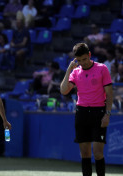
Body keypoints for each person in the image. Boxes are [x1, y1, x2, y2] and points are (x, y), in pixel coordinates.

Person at [60, 43, 113, 176]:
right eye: (79, 60)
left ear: (89, 55)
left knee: (98, 152)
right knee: (84, 153)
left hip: (99, 113)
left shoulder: (102, 68)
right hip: (82, 113)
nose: (82, 63)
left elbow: (110, 93)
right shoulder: (75, 72)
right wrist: (68, 70)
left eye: (84, 59)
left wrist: (107, 114)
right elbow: (64, 90)